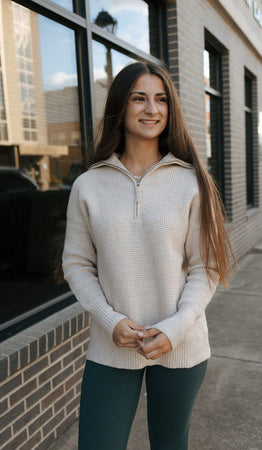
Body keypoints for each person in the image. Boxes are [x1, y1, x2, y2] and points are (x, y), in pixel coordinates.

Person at [62, 61, 234, 450]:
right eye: (139, 98)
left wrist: (174, 329)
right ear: (121, 107)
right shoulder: (88, 185)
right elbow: (76, 264)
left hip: (182, 345)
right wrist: (111, 320)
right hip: (112, 345)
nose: (151, 109)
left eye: (161, 100)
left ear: (170, 110)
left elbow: (205, 267)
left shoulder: (192, 181)